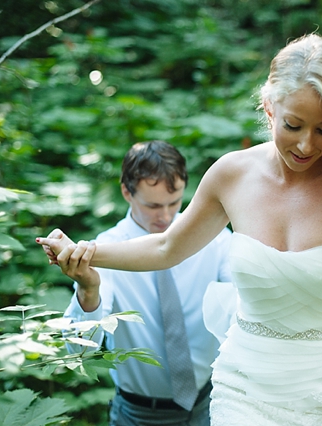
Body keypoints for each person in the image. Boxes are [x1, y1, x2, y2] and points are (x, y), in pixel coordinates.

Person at [39, 34, 322, 426]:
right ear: (269, 108)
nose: (306, 145)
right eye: (293, 125)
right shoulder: (232, 175)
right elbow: (166, 248)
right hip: (241, 391)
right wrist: (83, 251)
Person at [57, 140, 232, 426]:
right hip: (137, 416)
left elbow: (244, 312)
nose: (165, 217)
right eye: (152, 205)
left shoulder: (215, 240)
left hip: (210, 408)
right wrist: (88, 290)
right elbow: (79, 352)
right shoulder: (105, 250)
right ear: (127, 192)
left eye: (173, 202)